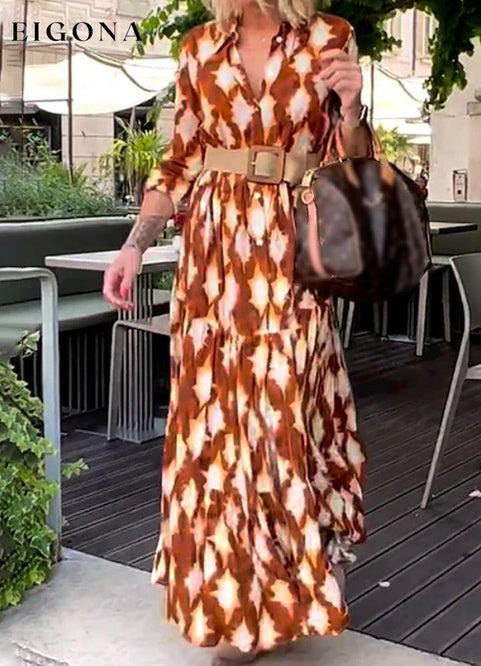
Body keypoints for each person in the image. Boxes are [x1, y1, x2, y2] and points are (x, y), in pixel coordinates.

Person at [102, 0, 370, 663]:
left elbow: (354, 171)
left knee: (286, 412)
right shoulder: (199, 47)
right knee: (216, 423)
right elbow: (177, 162)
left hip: (291, 253)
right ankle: (232, 601)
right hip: (213, 261)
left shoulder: (328, 38)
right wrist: (134, 245)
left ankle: (296, 577)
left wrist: (352, 109)